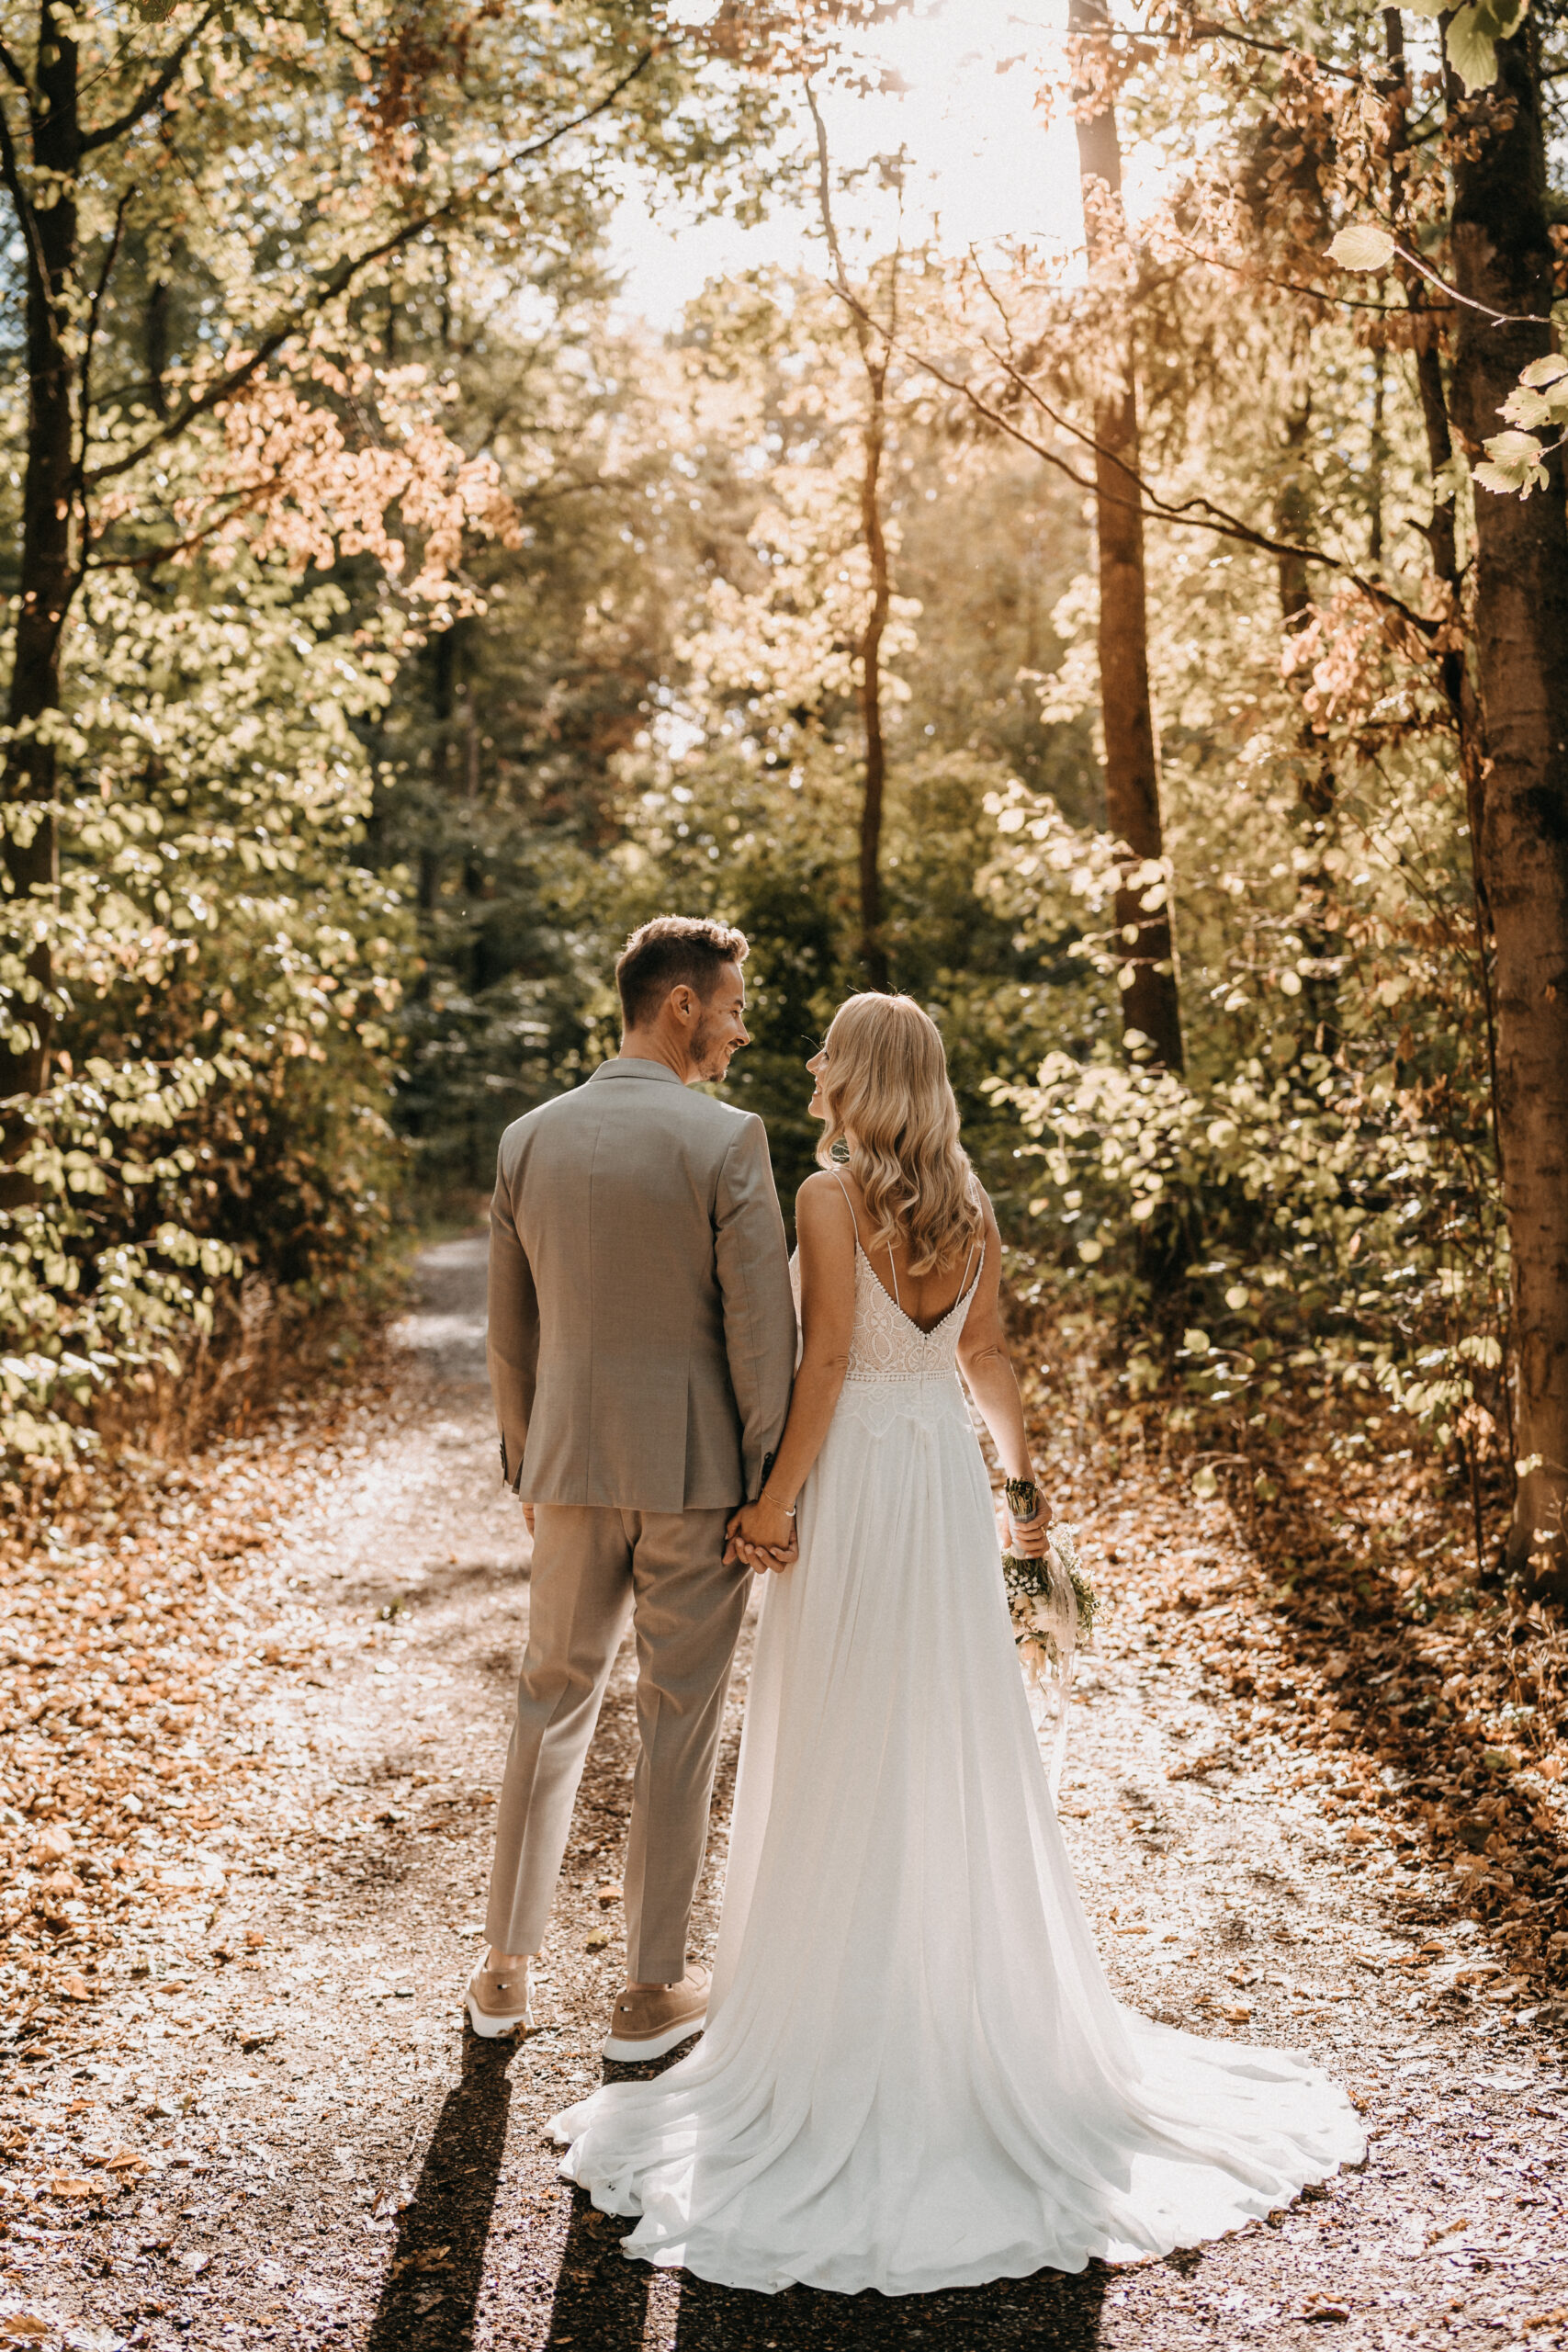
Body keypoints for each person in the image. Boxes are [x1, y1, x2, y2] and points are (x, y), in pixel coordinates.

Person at [549, 992, 1364, 2296]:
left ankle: (848, 2020)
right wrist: (1022, 1493)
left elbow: (821, 1370)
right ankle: (947, 1989)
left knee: (843, 1728)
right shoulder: (967, 1202)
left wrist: (768, 1505)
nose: (811, 1067)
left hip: (860, 1482)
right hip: (937, 1477)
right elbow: (985, 1356)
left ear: (861, 1079)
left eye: (828, 1055)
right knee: (942, 1728)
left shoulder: (826, 1198)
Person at [467, 916, 798, 2063]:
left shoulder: (527, 1140)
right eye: (734, 1006)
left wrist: (528, 1458)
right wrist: (771, 1485)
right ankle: (650, 1990)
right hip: (701, 1479)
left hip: (567, 1469)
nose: (741, 1029)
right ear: (680, 1008)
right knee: (677, 1721)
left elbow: (508, 1330)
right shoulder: (727, 1141)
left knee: (547, 1703)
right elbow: (762, 1332)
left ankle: (503, 1970)